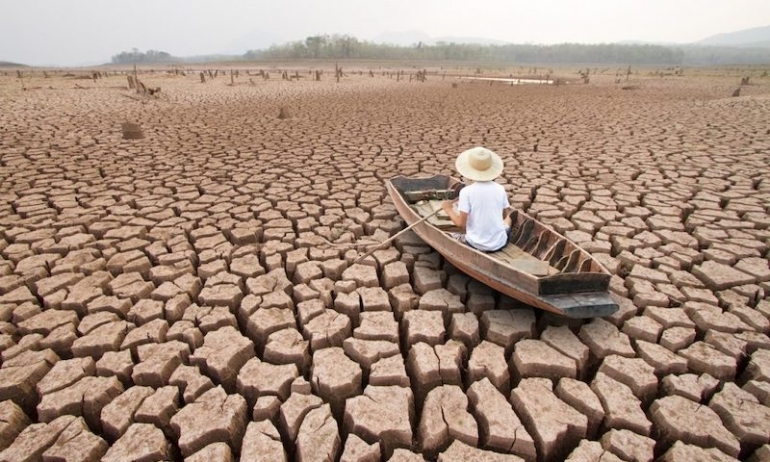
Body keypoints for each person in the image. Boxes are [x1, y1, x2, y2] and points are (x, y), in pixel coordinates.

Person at [441, 146, 512, 252]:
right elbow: (504, 216)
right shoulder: (500, 188)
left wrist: (448, 209)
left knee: (452, 234)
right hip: (500, 243)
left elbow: (461, 224)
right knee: (509, 220)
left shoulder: (466, 192)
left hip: (475, 244)